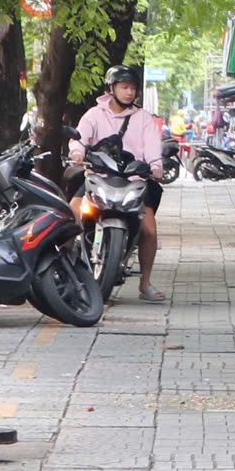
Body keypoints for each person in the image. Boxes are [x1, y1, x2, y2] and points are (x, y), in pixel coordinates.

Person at [75, 65, 170, 303]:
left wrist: (156, 164)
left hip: (135, 180)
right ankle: (65, 270)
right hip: (98, 177)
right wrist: (77, 151)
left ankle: (145, 282)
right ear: (111, 88)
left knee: (149, 230)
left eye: (132, 88)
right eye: (124, 87)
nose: (129, 92)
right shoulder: (94, 115)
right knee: (69, 216)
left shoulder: (143, 119)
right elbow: (79, 138)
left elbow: (152, 147)